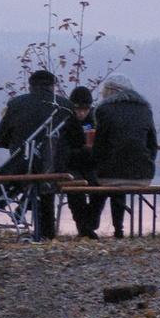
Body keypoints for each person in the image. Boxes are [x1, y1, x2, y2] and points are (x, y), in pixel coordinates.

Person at [0, 68, 73, 240]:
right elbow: (77, 140)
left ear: (30, 87)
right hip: (54, 168)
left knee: (32, 179)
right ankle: (47, 235)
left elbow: (0, 137)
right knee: (46, 180)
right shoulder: (65, 105)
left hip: (21, 166)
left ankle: (24, 208)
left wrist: (17, 148)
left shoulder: (16, 104)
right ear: (53, 87)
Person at [89, 73, 158, 239]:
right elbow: (152, 145)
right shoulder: (145, 110)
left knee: (101, 179)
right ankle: (118, 230)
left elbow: (99, 147)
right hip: (143, 175)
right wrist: (146, 162)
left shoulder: (103, 110)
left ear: (111, 91)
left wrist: (96, 164)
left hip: (111, 175)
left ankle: (90, 225)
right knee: (118, 174)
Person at [62, 85, 99, 239]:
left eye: (85, 109)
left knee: (98, 184)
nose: (82, 112)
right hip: (70, 165)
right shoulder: (65, 122)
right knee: (75, 185)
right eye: (77, 108)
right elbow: (63, 153)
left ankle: (90, 222)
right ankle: (84, 227)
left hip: (90, 165)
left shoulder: (96, 121)